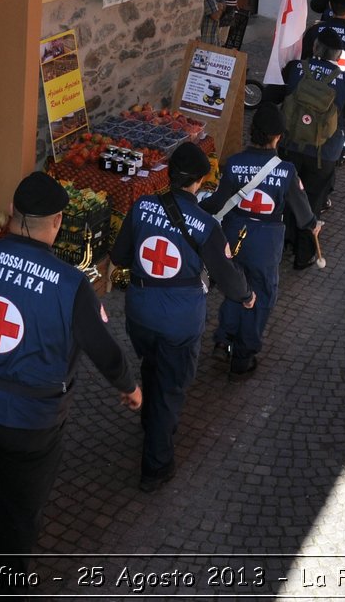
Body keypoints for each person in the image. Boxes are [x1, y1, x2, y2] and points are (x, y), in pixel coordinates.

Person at [0, 172, 141, 581]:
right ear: (58, 222)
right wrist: (130, 389)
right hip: (28, 420)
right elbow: (105, 351)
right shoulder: (71, 284)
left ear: (11, 212)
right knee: (23, 504)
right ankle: (5, 582)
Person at [111, 143, 254, 491]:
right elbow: (226, 273)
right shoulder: (206, 225)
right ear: (201, 181)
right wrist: (246, 297)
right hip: (179, 320)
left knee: (151, 362)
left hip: (139, 312)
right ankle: (156, 467)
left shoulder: (143, 205)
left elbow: (120, 256)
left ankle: (148, 419)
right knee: (171, 389)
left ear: (169, 173)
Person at [205, 103, 319, 377]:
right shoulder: (287, 170)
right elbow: (302, 212)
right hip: (265, 242)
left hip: (233, 235)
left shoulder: (233, 162)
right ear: (278, 136)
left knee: (235, 286)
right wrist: (313, 226)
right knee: (262, 294)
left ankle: (223, 337)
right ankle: (244, 354)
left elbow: (218, 203)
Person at [279, 32, 345, 268]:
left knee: (286, 195)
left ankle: (282, 241)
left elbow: (274, 96)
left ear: (315, 47)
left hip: (290, 146)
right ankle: (303, 255)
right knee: (313, 201)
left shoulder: (295, 68)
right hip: (324, 154)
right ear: (338, 56)